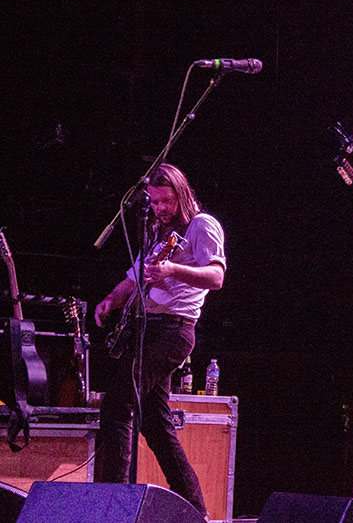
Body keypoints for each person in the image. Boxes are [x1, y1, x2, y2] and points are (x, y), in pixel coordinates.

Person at [95, 163, 226, 519]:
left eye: (165, 201)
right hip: (147, 330)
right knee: (156, 425)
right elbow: (133, 278)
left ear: (182, 193)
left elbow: (216, 276)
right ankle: (196, 511)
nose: (159, 209)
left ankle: (112, 508)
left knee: (119, 402)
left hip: (173, 332)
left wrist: (172, 270)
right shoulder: (158, 233)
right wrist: (111, 300)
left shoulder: (202, 225)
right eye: (153, 203)